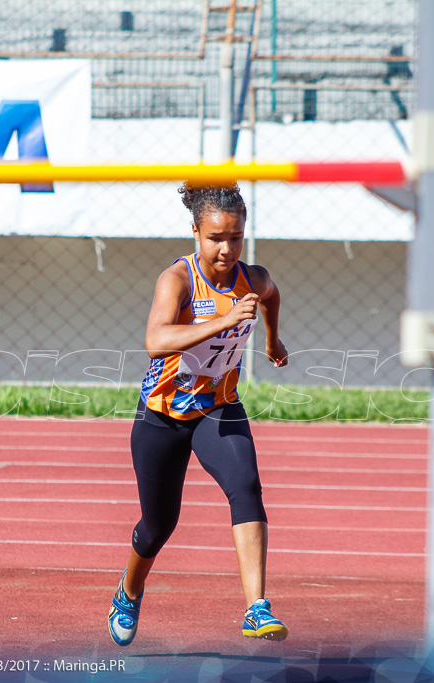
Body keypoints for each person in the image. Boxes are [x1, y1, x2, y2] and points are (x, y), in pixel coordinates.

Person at [107, 182, 289, 646]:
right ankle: (129, 590)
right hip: (162, 417)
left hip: (219, 408)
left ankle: (256, 608)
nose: (226, 249)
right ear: (195, 232)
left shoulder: (253, 277)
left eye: (235, 237)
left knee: (246, 486)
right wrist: (223, 322)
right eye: (215, 238)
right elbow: (156, 340)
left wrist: (271, 340)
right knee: (157, 526)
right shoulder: (179, 279)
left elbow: (271, 295)